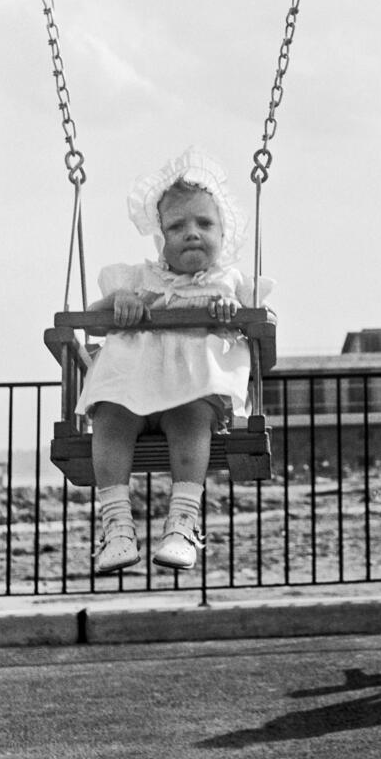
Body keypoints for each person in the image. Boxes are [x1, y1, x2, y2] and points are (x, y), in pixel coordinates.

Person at [76, 148, 274, 574]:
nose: (191, 233)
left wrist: (233, 313)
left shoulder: (230, 283)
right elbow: (92, 320)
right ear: (159, 235)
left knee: (190, 421)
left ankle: (182, 524)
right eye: (177, 225)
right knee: (108, 419)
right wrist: (119, 302)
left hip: (191, 395)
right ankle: (116, 525)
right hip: (130, 390)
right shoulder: (140, 280)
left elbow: (265, 321)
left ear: (225, 232)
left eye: (204, 223)